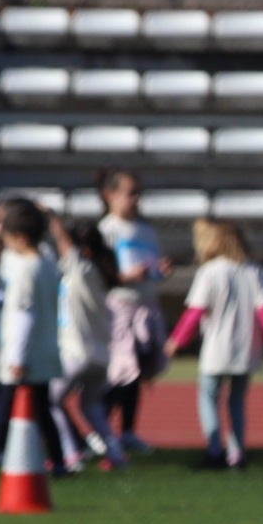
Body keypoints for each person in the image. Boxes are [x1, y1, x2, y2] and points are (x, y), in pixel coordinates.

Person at [165, 219, 263, 470]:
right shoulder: (253, 271)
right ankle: (237, 451)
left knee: (209, 396)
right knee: (237, 399)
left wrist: (177, 339)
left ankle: (214, 448)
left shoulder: (210, 272)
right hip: (247, 348)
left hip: (217, 348)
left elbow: (195, 312)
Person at [0, 199, 64, 475]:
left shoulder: (26, 270)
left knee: (2, 412)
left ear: (19, 237)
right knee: (43, 411)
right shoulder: (48, 264)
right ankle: (60, 462)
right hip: (45, 350)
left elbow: (23, 316)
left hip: (24, 356)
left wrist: (16, 357)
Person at [97, 170, 168, 455]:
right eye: (130, 193)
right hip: (119, 305)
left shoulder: (146, 230)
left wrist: (159, 271)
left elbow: (152, 265)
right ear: (110, 195)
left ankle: (127, 431)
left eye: (139, 193)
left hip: (145, 305)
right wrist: (125, 277)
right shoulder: (107, 230)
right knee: (120, 370)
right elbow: (102, 274)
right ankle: (100, 426)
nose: (136, 200)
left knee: (138, 371)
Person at [52, 218, 124, 471]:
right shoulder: (102, 274)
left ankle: (70, 454)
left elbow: (64, 243)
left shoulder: (81, 270)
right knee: (90, 406)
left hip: (75, 352)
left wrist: (52, 219)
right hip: (101, 356)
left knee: (53, 401)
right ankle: (115, 453)